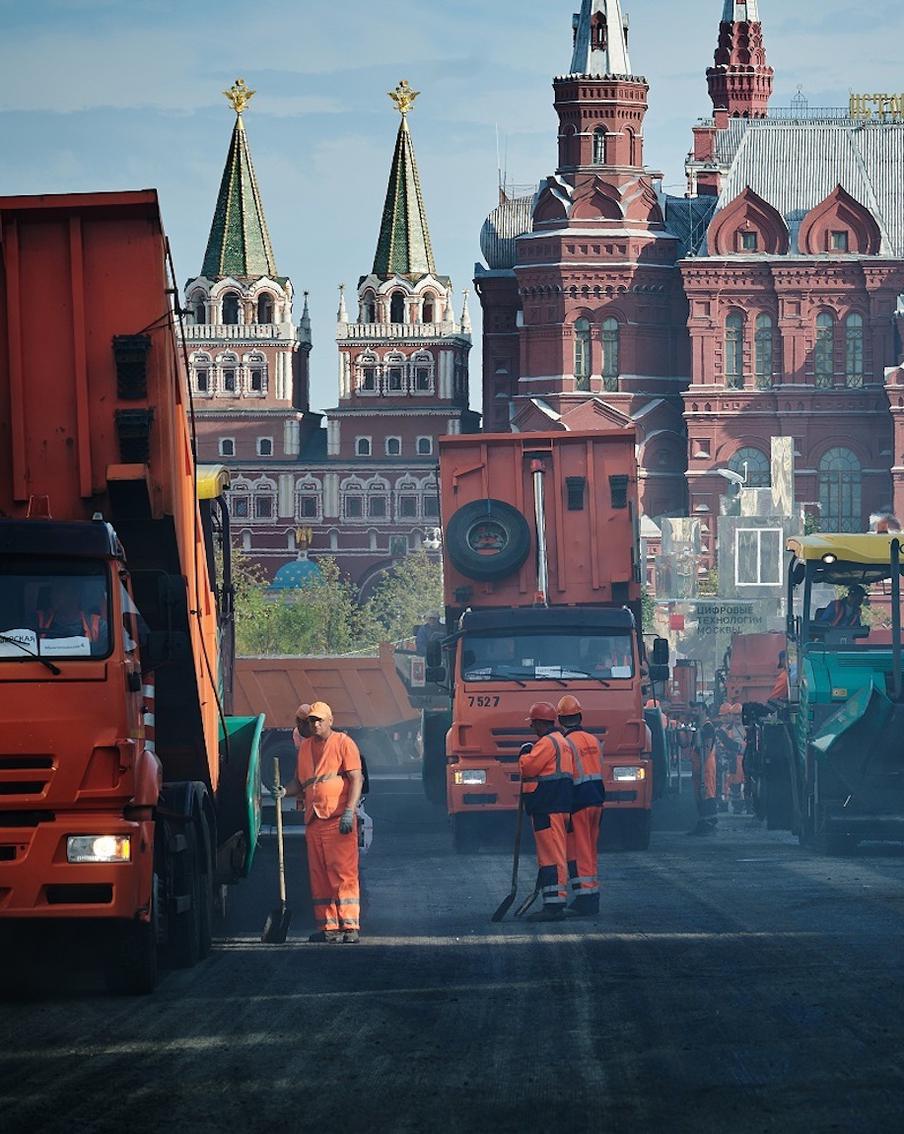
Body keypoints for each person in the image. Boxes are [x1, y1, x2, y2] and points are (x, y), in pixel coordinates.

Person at [279, 701, 364, 943]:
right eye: (311, 721)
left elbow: (356, 779)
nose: (314, 724)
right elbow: (300, 783)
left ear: (330, 721)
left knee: (343, 873)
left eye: (318, 720)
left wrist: (349, 811)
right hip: (314, 820)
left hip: (337, 819)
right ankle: (329, 927)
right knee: (320, 876)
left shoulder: (343, 743)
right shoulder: (305, 748)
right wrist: (284, 791)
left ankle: (350, 926)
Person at [519, 702, 575, 922]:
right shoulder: (562, 741)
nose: (532, 728)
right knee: (554, 854)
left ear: (540, 723)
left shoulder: (547, 743)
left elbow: (528, 768)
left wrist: (524, 754)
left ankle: (554, 904)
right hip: (557, 805)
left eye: (533, 723)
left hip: (547, 806)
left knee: (551, 857)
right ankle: (554, 901)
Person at [557, 695, 604, 917]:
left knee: (580, 850)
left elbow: (566, 776)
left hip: (579, 802)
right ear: (580, 716)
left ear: (560, 720)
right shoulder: (593, 740)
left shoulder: (566, 744)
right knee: (591, 849)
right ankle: (592, 892)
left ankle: (586, 898)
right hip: (597, 799)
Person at [36, 579, 106, 646]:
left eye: (59, 589)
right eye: (53, 590)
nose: (52, 595)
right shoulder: (39, 622)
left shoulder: (98, 626)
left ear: (75, 594)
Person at [687, 718, 718, 836]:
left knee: (707, 793)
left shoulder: (708, 727)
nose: (693, 712)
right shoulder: (698, 727)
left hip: (706, 767)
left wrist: (702, 766)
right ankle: (703, 822)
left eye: (696, 709)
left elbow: (707, 747)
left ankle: (709, 824)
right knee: (700, 795)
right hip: (699, 766)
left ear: (703, 710)